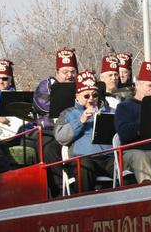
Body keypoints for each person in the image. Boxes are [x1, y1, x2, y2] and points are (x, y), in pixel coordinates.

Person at [55, 71, 115, 193]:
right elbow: (60, 137)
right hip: (83, 158)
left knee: (126, 165)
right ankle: (84, 205)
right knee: (83, 165)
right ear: (77, 96)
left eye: (95, 95)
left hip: (109, 157)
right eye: (86, 96)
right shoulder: (68, 113)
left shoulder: (111, 111)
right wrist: (81, 120)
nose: (91, 99)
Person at [115, 61, 151, 184]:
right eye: (149, 86)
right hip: (132, 152)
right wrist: (144, 122)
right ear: (138, 84)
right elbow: (124, 134)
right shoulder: (125, 107)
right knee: (140, 157)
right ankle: (148, 191)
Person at [34, 48, 79, 195]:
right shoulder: (46, 85)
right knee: (49, 149)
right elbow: (41, 104)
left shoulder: (81, 85)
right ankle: (58, 190)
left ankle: (78, 183)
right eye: (65, 72)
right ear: (57, 72)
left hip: (76, 129)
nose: (69, 76)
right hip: (50, 130)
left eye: (72, 72)